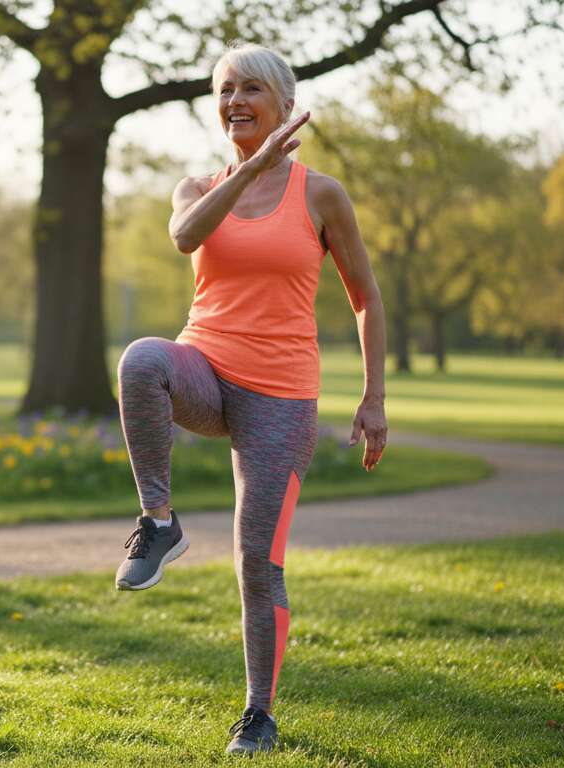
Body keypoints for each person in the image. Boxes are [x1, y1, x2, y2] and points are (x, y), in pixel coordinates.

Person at [113, 43, 388, 755]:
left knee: (257, 563)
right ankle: (159, 521)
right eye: (226, 90)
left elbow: (365, 297)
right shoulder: (195, 188)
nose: (235, 100)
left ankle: (258, 714)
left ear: (285, 105)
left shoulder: (321, 195)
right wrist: (251, 169)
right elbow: (185, 237)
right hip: (204, 369)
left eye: (252, 89)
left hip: (281, 397)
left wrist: (373, 397)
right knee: (142, 359)